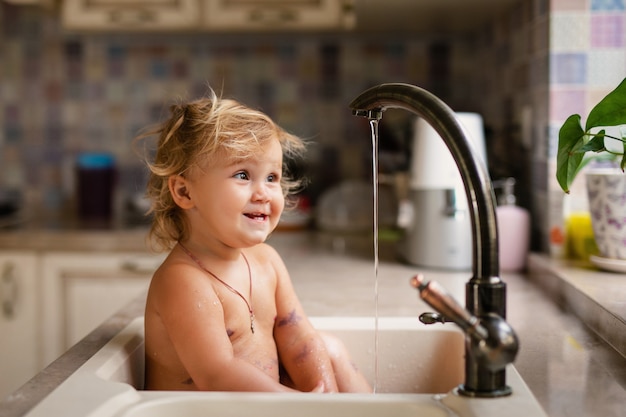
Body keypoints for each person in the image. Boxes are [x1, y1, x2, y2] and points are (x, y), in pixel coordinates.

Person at [139, 89, 371, 393]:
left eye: (272, 178)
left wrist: (322, 397)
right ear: (184, 192)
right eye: (243, 175)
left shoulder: (266, 261)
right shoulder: (183, 280)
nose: (263, 193)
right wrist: (300, 407)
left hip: (259, 408)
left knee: (329, 348)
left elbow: (297, 337)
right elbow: (219, 375)